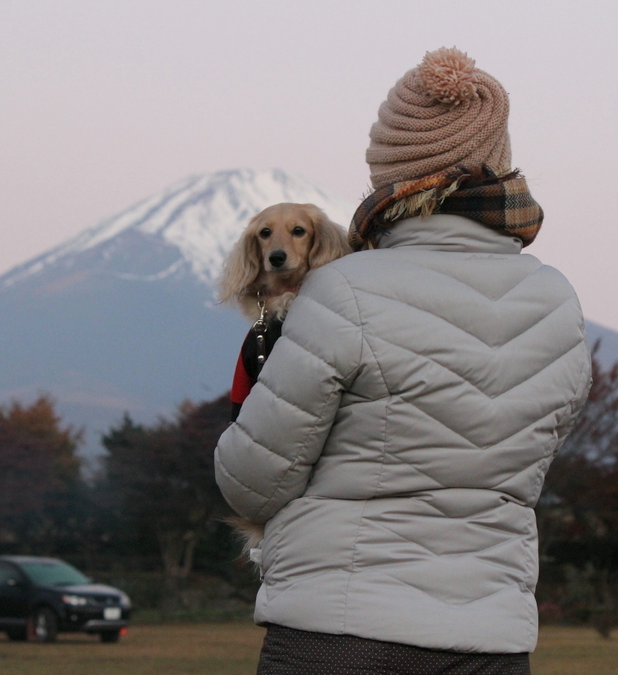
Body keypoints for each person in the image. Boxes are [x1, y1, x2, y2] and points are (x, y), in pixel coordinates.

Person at [215, 47, 592, 675]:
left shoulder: (343, 292)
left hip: (339, 632)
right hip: (492, 639)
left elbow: (253, 482)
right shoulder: (558, 302)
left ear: (390, 172)